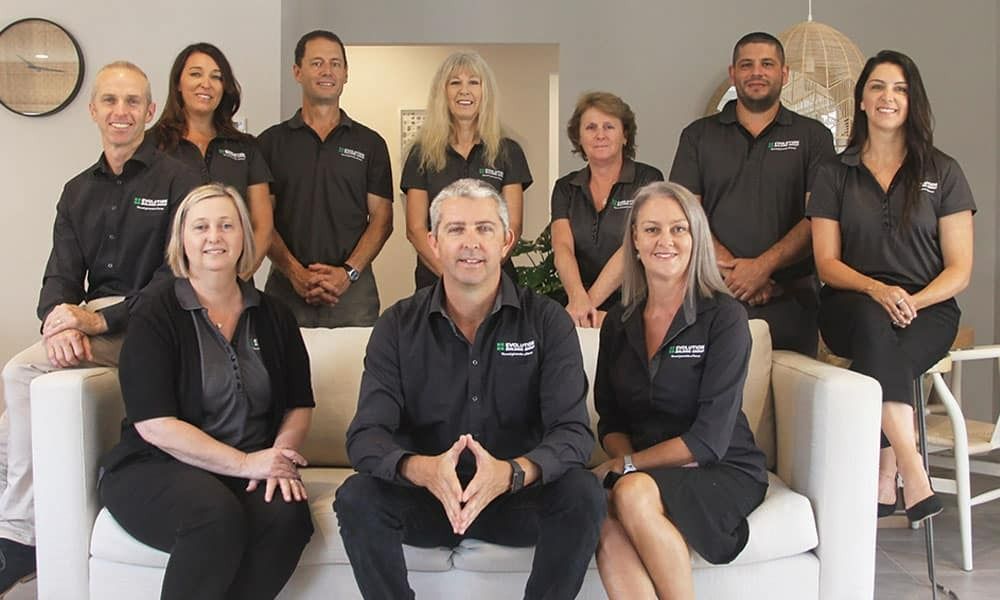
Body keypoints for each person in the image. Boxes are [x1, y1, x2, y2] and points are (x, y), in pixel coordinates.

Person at [334, 178, 605, 600]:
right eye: (456, 229)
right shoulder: (397, 325)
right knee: (357, 497)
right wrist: (421, 469)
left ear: (506, 241)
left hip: (515, 495)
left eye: (484, 228)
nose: (471, 242)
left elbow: (572, 435)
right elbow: (365, 437)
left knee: (582, 494)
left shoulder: (547, 322)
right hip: (428, 499)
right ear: (433, 242)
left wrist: (512, 472)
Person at [0, 61, 199, 595]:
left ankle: (17, 536)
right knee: (21, 374)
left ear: (150, 112)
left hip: (156, 320)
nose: (121, 112)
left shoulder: (181, 180)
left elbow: (178, 274)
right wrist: (58, 321)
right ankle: (22, 532)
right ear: (94, 111)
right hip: (90, 321)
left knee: (21, 378)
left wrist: (99, 319)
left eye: (133, 102)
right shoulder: (75, 191)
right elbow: (59, 274)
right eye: (110, 101)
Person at [99, 183, 315, 600]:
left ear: (244, 238)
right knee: (214, 517)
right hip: (157, 466)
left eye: (226, 225)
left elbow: (298, 405)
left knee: (288, 516)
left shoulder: (275, 315)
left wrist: (278, 459)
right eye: (200, 227)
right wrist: (245, 462)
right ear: (182, 240)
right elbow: (155, 424)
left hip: (245, 468)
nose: (214, 237)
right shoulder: (155, 311)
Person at [807, 50, 975, 522]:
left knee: (885, 358)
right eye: (878, 87)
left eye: (900, 89)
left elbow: (960, 269)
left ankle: (885, 478)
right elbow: (826, 263)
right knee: (871, 323)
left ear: (912, 100)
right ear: (862, 99)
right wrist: (878, 291)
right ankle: (912, 468)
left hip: (930, 306)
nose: (888, 97)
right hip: (850, 303)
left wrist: (912, 300)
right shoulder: (833, 173)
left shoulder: (943, 171)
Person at [592, 181, 768, 600]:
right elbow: (611, 419)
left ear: (696, 238)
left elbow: (708, 440)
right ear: (634, 240)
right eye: (651, 229)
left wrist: (629, 467)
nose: (664, 240)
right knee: (598, 511)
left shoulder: (724, 317)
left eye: (678, 229)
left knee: (630, 492)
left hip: (721, 467)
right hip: (652, 471)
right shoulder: (618, 322)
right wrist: (627, 462)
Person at [670, 31, 836, 356]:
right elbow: (685, 214)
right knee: (716, 398)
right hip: (713, 297)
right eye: (746, 65)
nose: (756, 72)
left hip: (791, 302)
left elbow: (818, 216)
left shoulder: (814, 136)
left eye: (767, 64)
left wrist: (763, 268)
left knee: (788, 402)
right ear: (733, 74)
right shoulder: (697, 137)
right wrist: (735, 274)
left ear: (784, 74)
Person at [258, 30, 393, 327]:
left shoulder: (370, 144)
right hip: (286, 291)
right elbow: (261, 220)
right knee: (282, 372)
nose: (327, 71)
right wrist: (295, 273)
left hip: (354, 294)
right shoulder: (268, 143)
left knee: (355, 373)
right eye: (317, 62)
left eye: (335, 63)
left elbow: (382, 219)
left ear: (346, 74)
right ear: (297, 71)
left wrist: (348, 273)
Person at [401, 50, 532, 290]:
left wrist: (481, 274)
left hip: (495, 283)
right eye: (455, 83)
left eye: (474, 82)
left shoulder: (508, 151)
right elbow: (416, 228)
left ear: (485, 93)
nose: (464, 90)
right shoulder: (421, 154)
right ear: (443, 93)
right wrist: (452, 277)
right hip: (435, 280)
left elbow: (512, 225)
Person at [150, 42, 274, 272]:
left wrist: (235, 283)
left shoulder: (246, 147)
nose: (206, 84)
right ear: (178, 82)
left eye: (216, 77)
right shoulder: (151, 145)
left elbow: (263, 227)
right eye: (195, 74)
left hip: (230, 287)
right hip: (164, 291)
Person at [551, 91, 663, 327]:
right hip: (578, 302)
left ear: (625, 135)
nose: (600, 135)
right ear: (578, 137)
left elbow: (633, 246)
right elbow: (562, 247)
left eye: (609, 126)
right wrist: (577, 297)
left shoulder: (648, 180)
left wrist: (587, 306)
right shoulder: (565, 188)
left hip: (635, 305)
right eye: (590, 127)